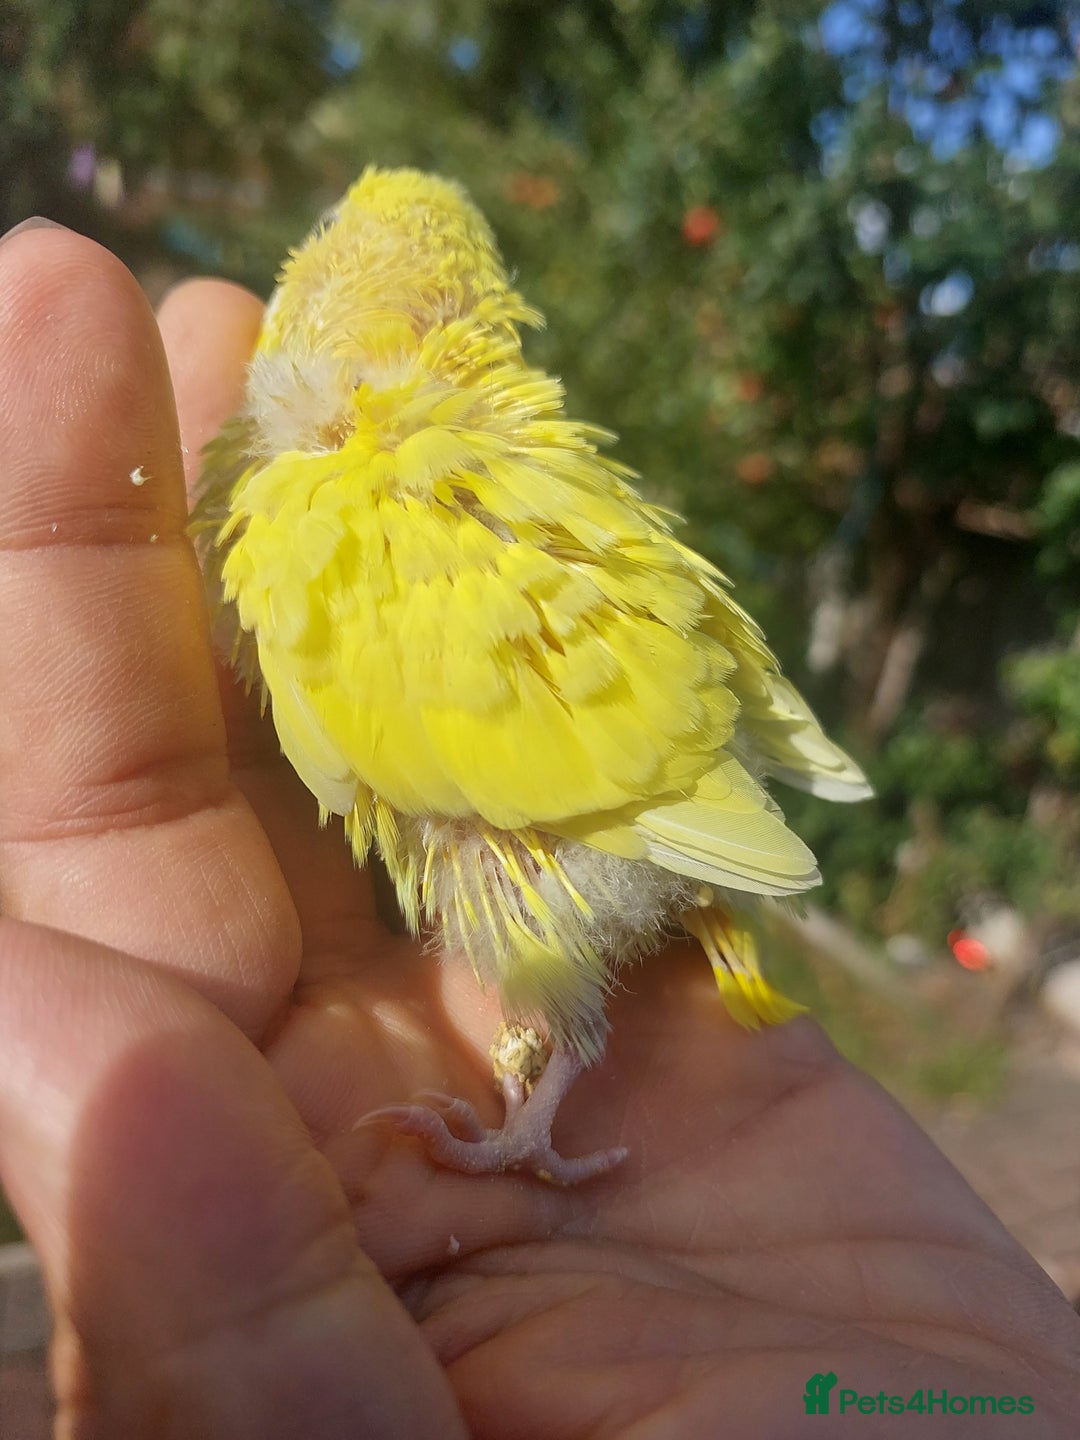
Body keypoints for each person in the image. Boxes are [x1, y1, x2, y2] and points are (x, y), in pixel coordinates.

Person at [0, 218, 1077, 1439]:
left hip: (596, 820)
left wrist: (527, 1129)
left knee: (549, 991)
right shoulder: (444, 473)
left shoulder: (332, 504)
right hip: (626, 763)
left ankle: (540, 1113)